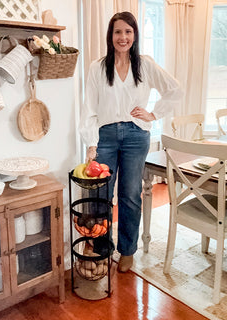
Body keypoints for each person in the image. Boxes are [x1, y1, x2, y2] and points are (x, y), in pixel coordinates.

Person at [79, 11, 182, 273]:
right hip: (105, 137)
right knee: (100, 194)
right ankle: (102, 247)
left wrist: (154, 114)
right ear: (110, 36)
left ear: (134, 35)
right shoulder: (98, 67)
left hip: (137, 135)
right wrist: (91, 143)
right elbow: (89, 108)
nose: (122, 37)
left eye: (128, 31)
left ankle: (127, 250)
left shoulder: (145, 64)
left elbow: (174, 89)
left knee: (130, 195)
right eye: (117, 32)